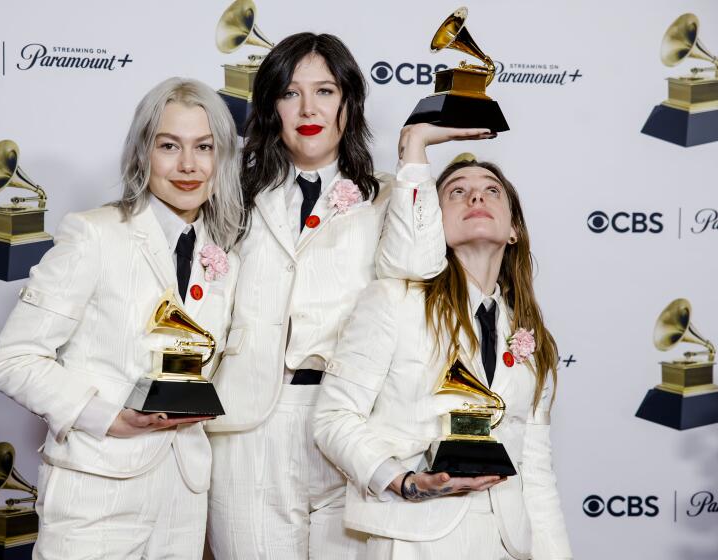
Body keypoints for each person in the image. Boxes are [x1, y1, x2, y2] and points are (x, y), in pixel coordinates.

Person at [205, 31, 490, 559]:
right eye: (290, 93)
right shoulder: (231, 193)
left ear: (348, 103)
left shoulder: (387, 192)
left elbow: (418, 264)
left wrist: (413, 152)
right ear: (271, 107)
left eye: (325, 91)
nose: (308, 108)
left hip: (353, 425)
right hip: (250, 426)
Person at [0, 77, 243, 560]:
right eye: (169, 146)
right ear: (142, 153)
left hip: (184, 493)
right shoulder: (93, 234)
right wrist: (108, 418)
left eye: (204, 147)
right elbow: (14, 359)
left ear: (222, 158)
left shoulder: (224, 251)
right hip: (96, 488)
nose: (188, 165)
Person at [313, 150, 573, 560]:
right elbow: (333, 418)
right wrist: (404, 481)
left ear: (514, 231)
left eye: (492, 191)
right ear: (433, 222)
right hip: (414, 537)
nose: (476, 198)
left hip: (509, 543)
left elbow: (535, 470)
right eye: (457, 192)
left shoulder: (532, 336)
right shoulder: (392, 300)